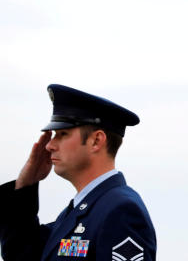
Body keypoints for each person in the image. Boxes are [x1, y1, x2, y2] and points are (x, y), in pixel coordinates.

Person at [0, 84, 156, 261]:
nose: (49, 145)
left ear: (96, 141)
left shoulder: (121, 210)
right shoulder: (81, 211)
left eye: (63, 134)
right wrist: (24, 185)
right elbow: (21, 254)